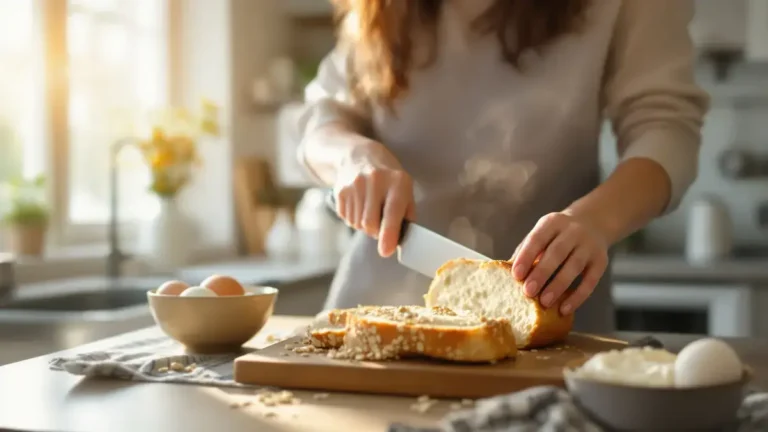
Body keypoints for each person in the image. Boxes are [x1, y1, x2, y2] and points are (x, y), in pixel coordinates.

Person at [296, 0, 709, 332]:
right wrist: (353, 157)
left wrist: (596, 220)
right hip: (374, 313)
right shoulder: (380, 8)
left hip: (544, 318)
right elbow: (321, 122)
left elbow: (665, 128)